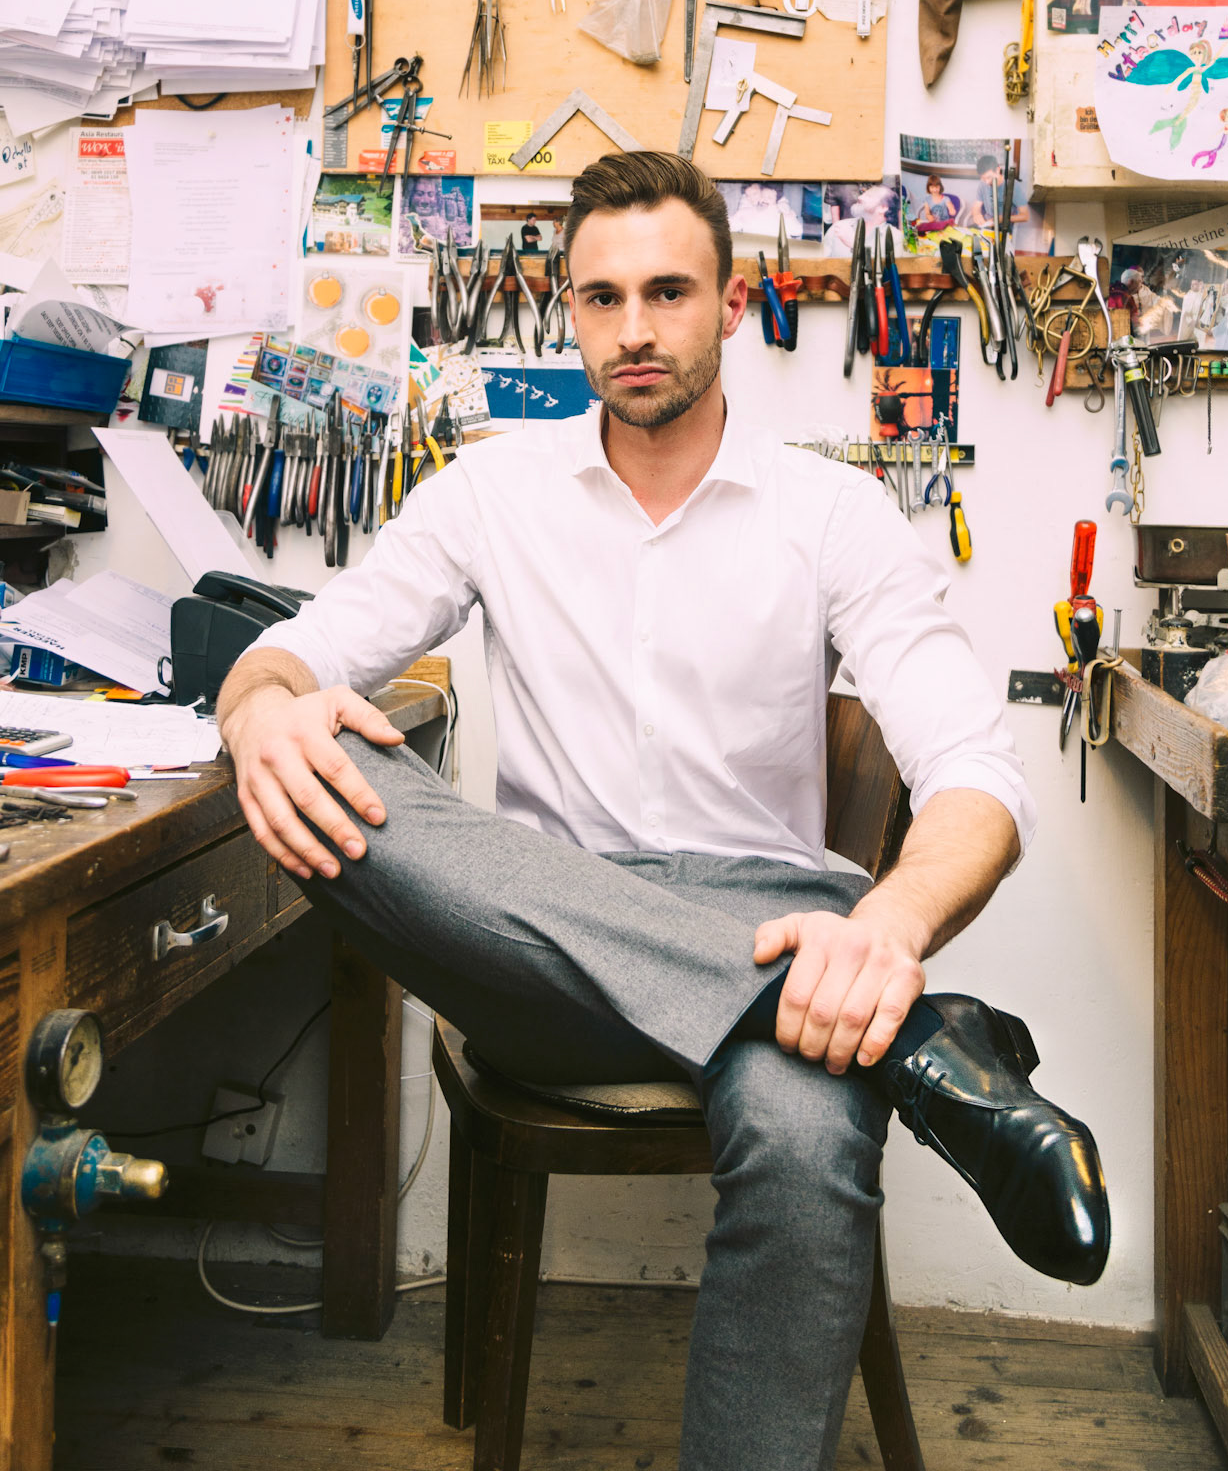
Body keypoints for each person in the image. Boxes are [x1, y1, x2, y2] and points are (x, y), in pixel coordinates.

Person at [217, 153, 1107, 1471]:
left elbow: (978, 771)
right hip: (536, 951)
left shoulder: (835, 513)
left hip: (776, 933)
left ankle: (857, 1016)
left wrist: (886, 930)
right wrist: (258, 711)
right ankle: (927, 1048)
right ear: (570, 313)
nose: (634, 328)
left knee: (804, 1140)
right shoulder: (487, 494)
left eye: (669, 291)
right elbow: (295, 651)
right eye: (604, 297)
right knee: (317, 767)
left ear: (731, 304)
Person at [823, 180, 897, 255]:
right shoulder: (838, 228)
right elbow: (821, 261)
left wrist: (855, 245)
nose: (859, 197)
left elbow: (885, 262)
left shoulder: (895, 238)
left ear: (883, 207)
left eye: (869, 196)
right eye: (863, 194)